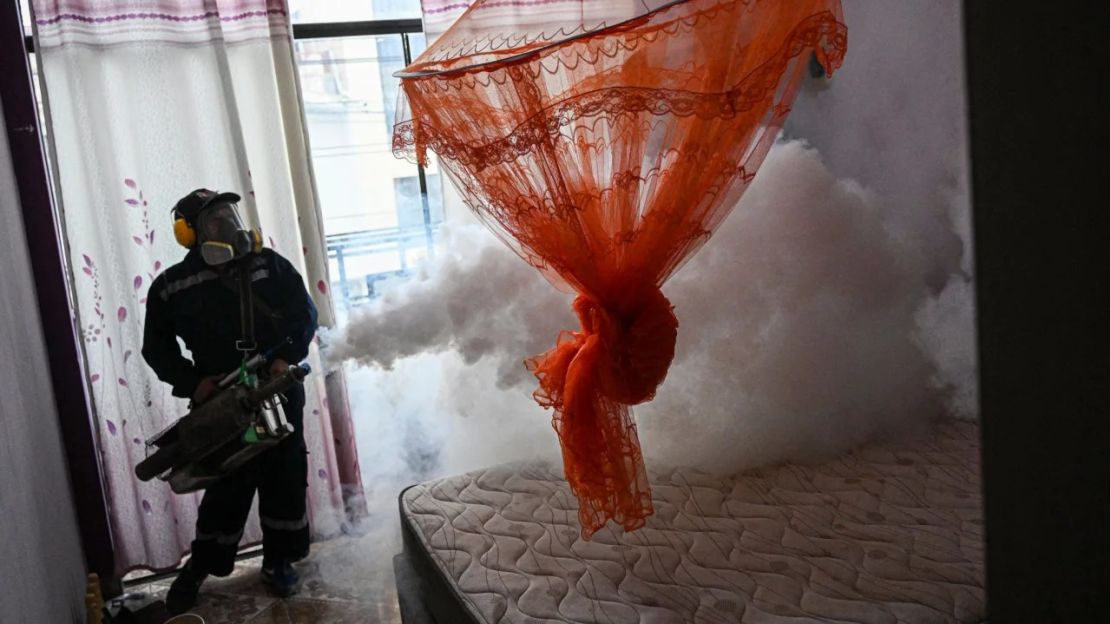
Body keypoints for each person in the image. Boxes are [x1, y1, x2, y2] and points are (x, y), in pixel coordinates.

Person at [142, 189, 318, 614]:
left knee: (284, 476)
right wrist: (194, 383)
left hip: (277, 388)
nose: (226, 224)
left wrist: (283, 359)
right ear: (189, 233)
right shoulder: (171, 287)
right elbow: (157, 349)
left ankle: (278, 561)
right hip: (219, 401)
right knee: (226, 483)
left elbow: (304, 315)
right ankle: (201, 566)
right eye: (213, 220)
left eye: (228, 214)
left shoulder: (268, 265)